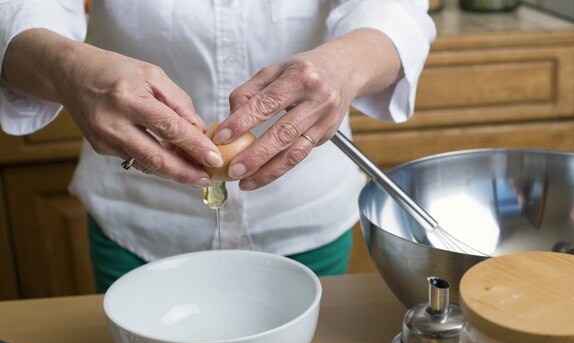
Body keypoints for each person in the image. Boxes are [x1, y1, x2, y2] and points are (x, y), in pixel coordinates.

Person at [0, 0, 436, 292]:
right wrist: (67, 66)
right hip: (137, 220)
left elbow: (394, 10)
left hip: (303, 214)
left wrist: (345, 64)